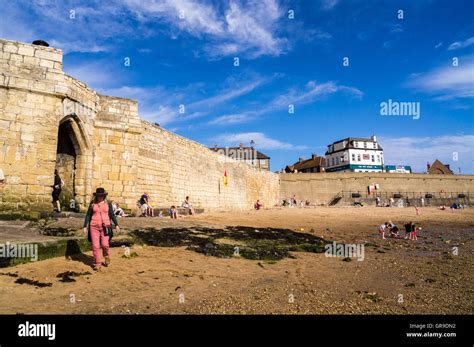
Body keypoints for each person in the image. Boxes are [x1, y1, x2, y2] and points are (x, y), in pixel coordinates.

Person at [83, 188, 120, 271]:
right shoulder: (92, 204)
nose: (100, 197)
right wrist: (85, 226)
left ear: (104, 196)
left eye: (102, 196)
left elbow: (112, 214)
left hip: (106, 226)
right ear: (96, 196)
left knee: (104, 244)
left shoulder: (108, 204)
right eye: (99, 196)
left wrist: (116, 225)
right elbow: (88, 215)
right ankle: (97, 263)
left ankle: (106, 256)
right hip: (93, 226)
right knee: (95, 246)